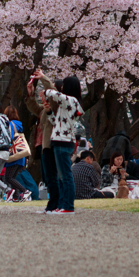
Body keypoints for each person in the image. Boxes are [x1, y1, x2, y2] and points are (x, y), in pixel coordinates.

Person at [44, 74, 85, 214]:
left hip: (63, 141)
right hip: (61, 140)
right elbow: (57, 122)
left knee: (65, 176)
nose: (60, 88)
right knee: (62, 176)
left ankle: (68, 206)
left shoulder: (71, 100)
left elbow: (52, 93)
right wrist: (49, 112)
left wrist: (45, 86)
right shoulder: (69, 103)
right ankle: (63, 205)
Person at [25, 69, 56, 211]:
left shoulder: (56, 106)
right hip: (42, 145)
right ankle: (53, 202)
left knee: (51, 175)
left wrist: (43, 78)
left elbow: (52, 91)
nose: (42, 97)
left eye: (44, 95)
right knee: (46, 175)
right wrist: (31, 94)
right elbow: (33, 107)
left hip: (50, 144)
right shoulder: (44, 110)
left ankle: (56, 203)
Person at [3, 106, 30, 201]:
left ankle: (25, 191)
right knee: (13, 177)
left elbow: (9, 138)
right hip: (20, 154)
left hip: (13, 154)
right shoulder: (19, 124)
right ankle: (15, 197)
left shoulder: (10, 124)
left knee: (8, 177)